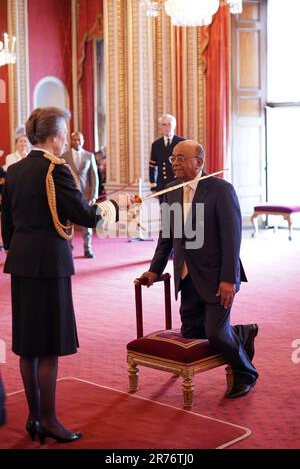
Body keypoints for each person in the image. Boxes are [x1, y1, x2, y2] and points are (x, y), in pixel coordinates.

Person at [1, 107, 127, 443]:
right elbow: (85, 214)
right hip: (50, 267)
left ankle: (33, 418)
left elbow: (7, 228)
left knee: (28, 346)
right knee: (48, 347)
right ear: (56, 135)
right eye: (65, 129)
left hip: (21, 265)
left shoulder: (13, 171)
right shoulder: (55, 170)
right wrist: (116, 206)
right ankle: (50, 420)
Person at [140, 140, 259, 399]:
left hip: (218, 276)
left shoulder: (220, 190)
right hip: (186, 275)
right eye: (173, 158)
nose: (175, 163)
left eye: (181, 158)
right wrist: (154, 270)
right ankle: (242, 332)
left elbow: (232, 238)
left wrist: (229, 278)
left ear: (199, 162)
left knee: (215, 333)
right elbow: (167, 236)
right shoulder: (171, 190)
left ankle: (245, 372)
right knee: (193, 332)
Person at [62, 131, 99, 258]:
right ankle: (67, 248)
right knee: (67, 223)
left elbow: (94, 177)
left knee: (86, 224)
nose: (77, 142)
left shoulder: (89, 156)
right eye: (74, 140)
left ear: (83, 141)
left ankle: (87, 248)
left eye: (79, 140)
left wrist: (94, 195)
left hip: (86, 195)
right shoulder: (64, 156)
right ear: (71, 141)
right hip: (69, 195)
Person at [149, 114, 185, 203]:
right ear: (161, 126)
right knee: (164, 213)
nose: (167, 127)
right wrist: (153, 187)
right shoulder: (156, 144)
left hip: (178, 183)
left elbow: (185, 165)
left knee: (178, 212)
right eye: (164, 124)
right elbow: (152, 167)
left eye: (169, 124)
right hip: (162, 185)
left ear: (174, 126)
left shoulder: (182, 142)